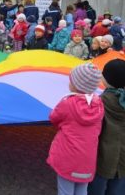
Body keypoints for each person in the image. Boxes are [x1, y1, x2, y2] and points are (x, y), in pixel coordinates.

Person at [47, 63, 104, 195]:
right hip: (87, 160)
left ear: (76, 85)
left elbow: (54, 118)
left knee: (65, 191)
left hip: (67, 158)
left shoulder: (67, 103)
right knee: (82, 190)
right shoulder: (99, 104)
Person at [88, 59, 125, 195]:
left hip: (102, 156)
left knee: (96, 188)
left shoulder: (100, 101)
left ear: (107, 79)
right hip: (123, 158)